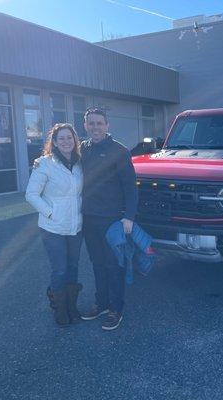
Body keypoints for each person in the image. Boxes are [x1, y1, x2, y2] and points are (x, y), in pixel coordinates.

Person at [80, 108, 138, 331]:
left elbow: (130, 187)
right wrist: (41, 161)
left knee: (114, 265)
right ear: (85, 126)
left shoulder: (120, 151)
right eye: (91, 124)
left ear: (107, 125)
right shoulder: (82, 149)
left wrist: (129, 217)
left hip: (113, 220)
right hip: (89, 218)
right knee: (97, 263)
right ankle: (102, 303)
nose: (95, 127)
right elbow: (62, 158)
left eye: (99, 123)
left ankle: (116, 309)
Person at [25, 123, 84, 326]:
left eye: (70, 137)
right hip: (53, 227)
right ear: (55, 142)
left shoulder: (79, 163)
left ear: (75, 140)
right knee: (60, 268)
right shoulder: (44, 164)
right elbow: (31, 195)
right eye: (61, 138)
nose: (66, 141)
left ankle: (71, 307)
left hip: (75, 225)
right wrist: (51, 213)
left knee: (73, 266)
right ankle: (60, 310)